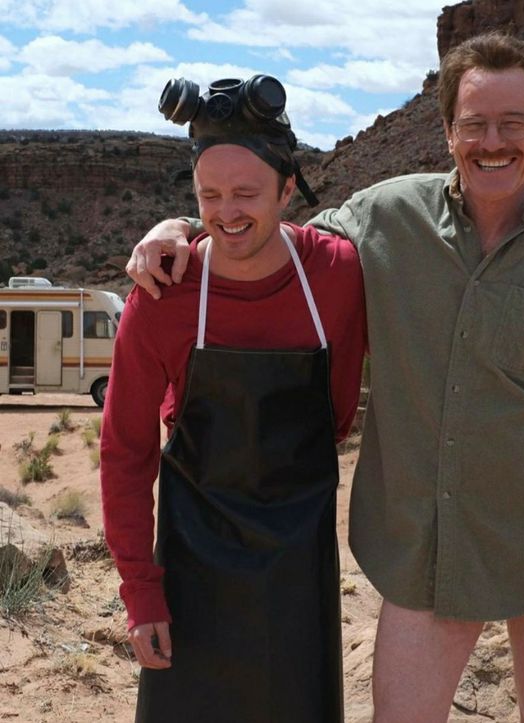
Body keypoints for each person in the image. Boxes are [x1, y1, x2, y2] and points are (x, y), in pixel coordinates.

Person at [126, 32, 524, 723]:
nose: (491, 141)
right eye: (473, 124)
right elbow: (257, 231)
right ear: (445, 132)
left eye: (511, 123)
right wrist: (176, 228)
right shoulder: (383, 217)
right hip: (423, 550)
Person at [100, 73, 366, 723]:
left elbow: (336, 413)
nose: (227, 212)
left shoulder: (335, 274)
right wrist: (142, 594)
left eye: (246, 192)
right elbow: (125, 452)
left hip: (298, 571)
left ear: (285, 188)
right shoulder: (161, 296)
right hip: (191, 572)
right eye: (208, 195)